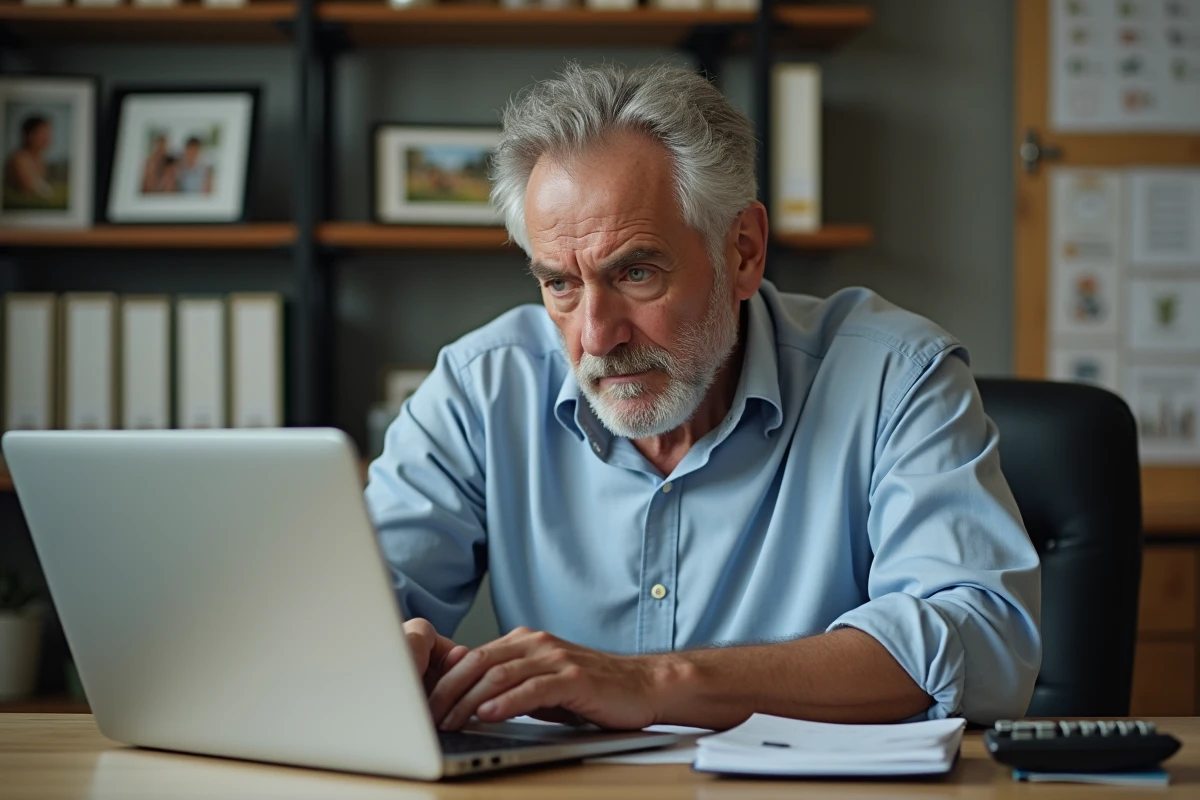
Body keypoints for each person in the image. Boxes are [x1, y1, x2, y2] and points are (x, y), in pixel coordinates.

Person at [365, 63, 1041, 733]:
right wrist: (370, 648)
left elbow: (980, 638)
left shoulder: (897, 378)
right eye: (560, 285)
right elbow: (345, 608)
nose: (596, 338)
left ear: (743, 251)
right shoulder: (481, 387)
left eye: (635, 272)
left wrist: (654, 683)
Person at [4, 115, 55, 201]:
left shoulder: (39, 159)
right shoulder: (20, 159)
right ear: (31, 135)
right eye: (44, 133)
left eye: (48, 133)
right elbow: (36, 190)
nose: (48, 139)